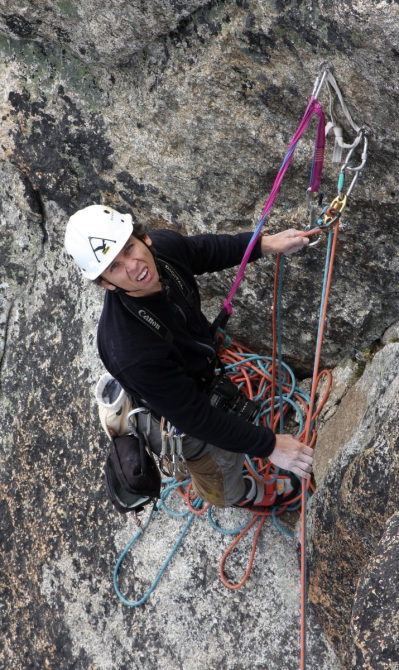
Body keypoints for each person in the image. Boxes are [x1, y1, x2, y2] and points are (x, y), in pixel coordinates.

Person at [65, 204, 313, 508]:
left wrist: (265, 243)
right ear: (105, 283)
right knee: (219, 464)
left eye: (129, 248)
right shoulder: (130, 349)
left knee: (227, 433)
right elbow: (197, 418)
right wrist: (271, 445)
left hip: (193, 375)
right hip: (179, 418)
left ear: (144, 238)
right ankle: (241, 495)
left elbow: (205, 250)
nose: (133, 265)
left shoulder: (165, 250)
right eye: (114, 267)